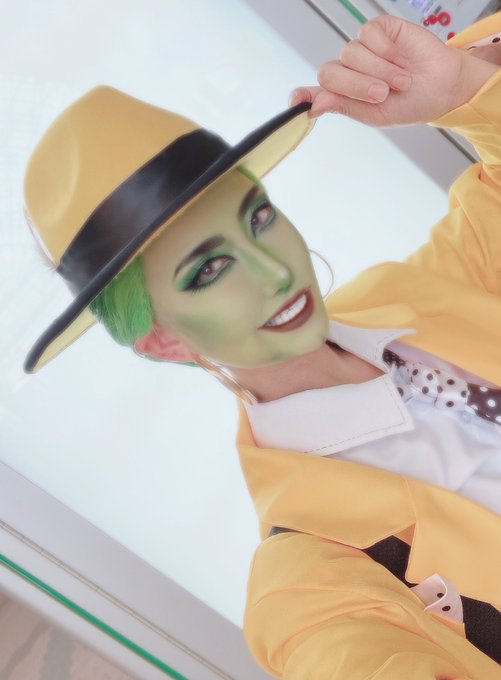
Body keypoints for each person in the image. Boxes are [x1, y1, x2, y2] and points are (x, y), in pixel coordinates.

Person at [23, 10, 501, 678]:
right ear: (163, 339)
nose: (274, 271)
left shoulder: (420, 291)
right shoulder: (307, 582)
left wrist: (461, 92)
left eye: (258, 217)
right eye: (208, 270)